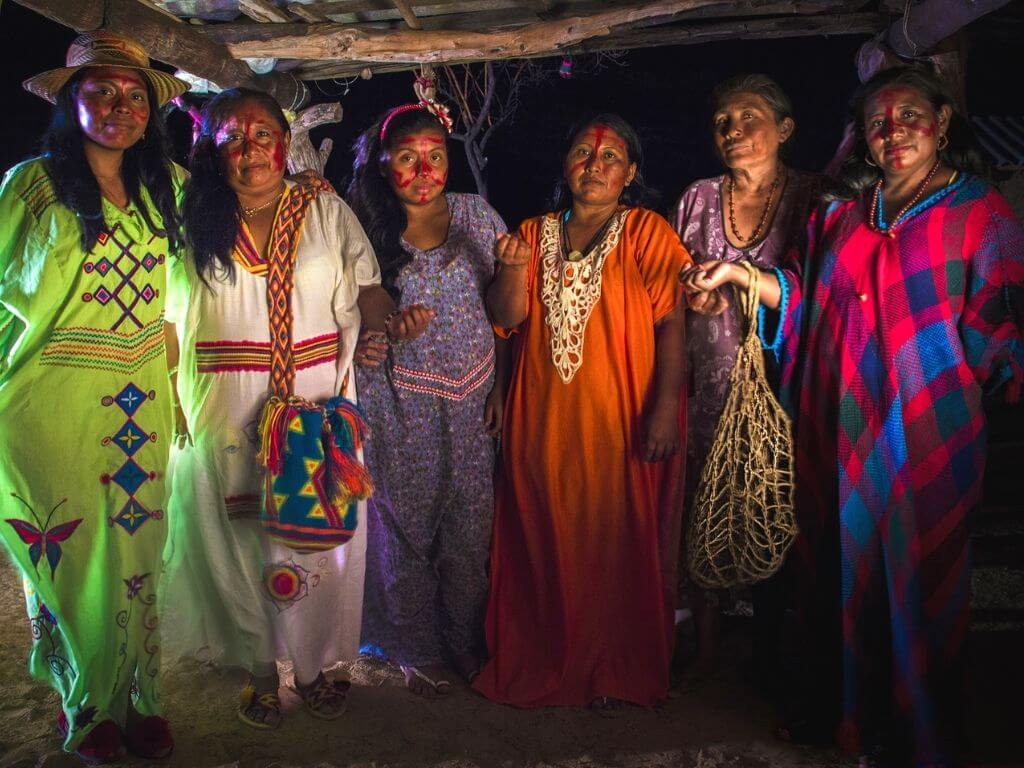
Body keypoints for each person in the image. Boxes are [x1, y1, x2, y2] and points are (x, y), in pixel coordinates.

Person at [682, 66, 1024, 766]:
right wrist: (744, 276)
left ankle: (918, 732)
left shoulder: (981, 213)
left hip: (927, 433)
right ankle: (837, 719)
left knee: (922, 581)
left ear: (944, 123)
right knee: (832, 572)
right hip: (831, 425)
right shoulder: (840, 211)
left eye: (908, 115)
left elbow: (1000, 334)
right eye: (877, 120)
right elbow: (802, 296)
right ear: (862, 137)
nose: (893, 129)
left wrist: (972, 384)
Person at [161, 88, 415, 729]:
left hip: (315, 404)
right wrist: (167, 394)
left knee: (311, 540)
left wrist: (390, 324)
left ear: (284, 140)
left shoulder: (325, 210)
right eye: (232, 138)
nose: (250, 150)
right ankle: (256, 672)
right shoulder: (189, 219)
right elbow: (167, 316)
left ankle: (309, 668)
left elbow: (367, 289)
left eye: (262, 134)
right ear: (210, 150)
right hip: (222, 404)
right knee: (237, 540)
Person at [0, 32, 187, 763]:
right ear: (71, 101)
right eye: (102, 91)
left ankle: (142, 696)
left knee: (140, 546)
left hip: (141, 395)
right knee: (71, 554)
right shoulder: (29, 186)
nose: (120, 106)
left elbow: (189, 282)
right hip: (51, 396)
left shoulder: (166, 186)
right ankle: (86, 703)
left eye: (135, 95)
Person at [474, 113, 692, 708]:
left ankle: (609, 664)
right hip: (541, 413)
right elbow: (509, 319)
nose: (594, 165)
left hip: (621, 415)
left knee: (614, 535)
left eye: (610, 157)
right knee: (542, 531)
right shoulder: (530, 230)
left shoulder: (648, 232)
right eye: (581, 153)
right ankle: (550, 655)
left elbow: (673, 320)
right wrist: (514, 267)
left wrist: (666, 406)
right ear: (564, 163)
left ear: (630, 173)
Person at [346, 103, 509, 696]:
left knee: (469, 531)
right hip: (396, 399)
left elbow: (507, 314)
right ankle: (415, 648)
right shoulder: (365, 225)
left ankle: (465, 642)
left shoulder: (474, 214)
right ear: (384, 162)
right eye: (409, 157)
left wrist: (503, 386)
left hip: (471, 399)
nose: (424, 169)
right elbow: (361, 306)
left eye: (436, 156)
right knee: (403, 528)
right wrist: (386, 328)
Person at [675, 74, 817, 685]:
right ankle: (706, 651)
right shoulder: (698, 198)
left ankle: (769, 654)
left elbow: (816, 293)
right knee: (704, 510)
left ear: (784, 128)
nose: (733, 130)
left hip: (786, 388)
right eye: (723, 121)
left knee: (777, 506)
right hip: (707, 382)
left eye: (749, 117)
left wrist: (736, 275)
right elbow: (673, 288)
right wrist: (694, 299)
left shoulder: (816, 197)